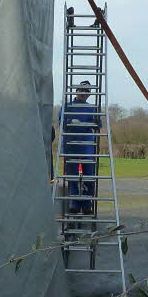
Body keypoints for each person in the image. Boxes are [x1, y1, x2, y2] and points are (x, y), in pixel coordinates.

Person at [59, 80, 101, 216]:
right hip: (71, 147)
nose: (84, 93)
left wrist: (86, 123)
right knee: (73, 177)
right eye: (82, 90)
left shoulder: (92, 108)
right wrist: (70, 122)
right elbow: (62, 123)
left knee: (89, 177)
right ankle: (74, 204)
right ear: (76, 91)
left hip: (87, 147)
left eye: (87, 91)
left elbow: (97, 124)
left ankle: (87, 205)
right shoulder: (67, 106)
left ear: (89, 94)